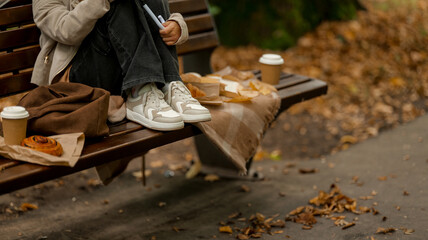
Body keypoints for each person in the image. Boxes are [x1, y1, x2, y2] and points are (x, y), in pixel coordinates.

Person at [31, 0, 211, 131]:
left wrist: (177, 25)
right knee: (117, 3)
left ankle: (169, 84)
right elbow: (65, 31)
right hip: (76, 78)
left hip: (120, 68)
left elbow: (146, 13)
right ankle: (140, 91)